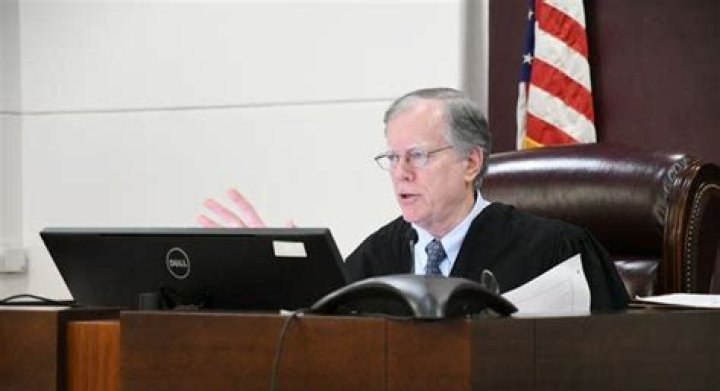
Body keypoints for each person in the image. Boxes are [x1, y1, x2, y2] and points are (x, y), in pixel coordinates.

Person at [198, 87, 629, 311]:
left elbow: (612, 360)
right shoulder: (375, 257)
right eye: (393, 157)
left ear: (470, 162)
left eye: (418, 156)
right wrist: (281, 280)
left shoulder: (555, 251)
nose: (401, 172)